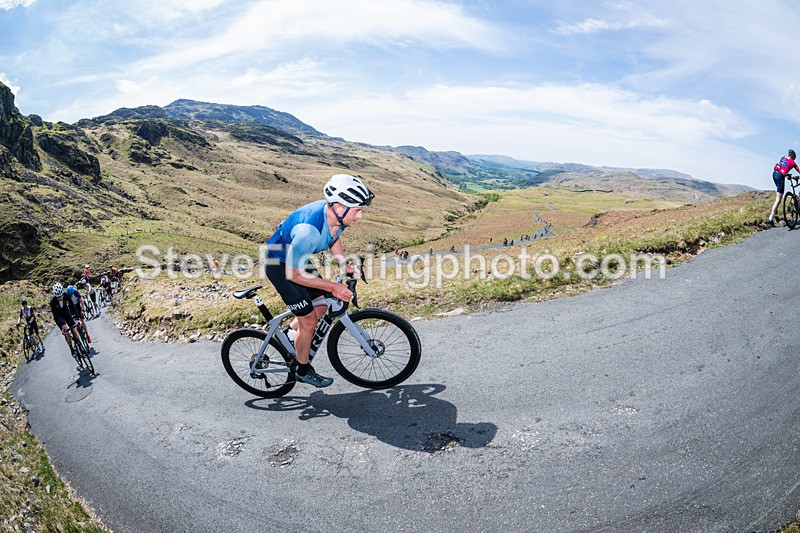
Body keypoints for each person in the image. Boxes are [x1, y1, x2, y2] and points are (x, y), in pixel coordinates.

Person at [265, 173, 374, 388]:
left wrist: (343, 264)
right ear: (339, 207)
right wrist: (333, 286)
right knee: (309, 321)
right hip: (280, 266)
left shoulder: (337, 216)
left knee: (322, 305)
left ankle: (290, 335)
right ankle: (302, 370)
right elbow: (294, 275)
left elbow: (334, 236)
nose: (360, 216)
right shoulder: (308, 231)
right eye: (357, 210)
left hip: (296, 259)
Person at [50, 283, 84, 356]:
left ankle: (80, 345)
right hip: (59, 316)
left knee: (74, 328)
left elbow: (72, 307)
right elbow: (56, 315)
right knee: (67, 333)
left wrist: (78, 318)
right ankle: (71, 348)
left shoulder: (66, 295)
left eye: (61, 296)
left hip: (66, 311)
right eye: (58, 297)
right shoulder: (52, 301)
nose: (60, 298)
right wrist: (62, 326)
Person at [768, 149, 800, 226]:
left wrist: (791, 177)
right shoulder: (792, 161)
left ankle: (775, 209)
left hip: (774, 174)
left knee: (778, 194)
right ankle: (770, 218)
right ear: (793, 157)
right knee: (778, 199)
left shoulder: (783, 158)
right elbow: (798, 169)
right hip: (780, 177)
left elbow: (783, 169)